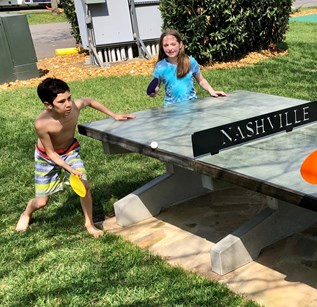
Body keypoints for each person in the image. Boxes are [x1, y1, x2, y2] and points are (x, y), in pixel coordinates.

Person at [16, 78, 135, 238]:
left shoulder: (75, 107)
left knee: (83, 186)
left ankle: (90, 224)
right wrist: (70, 169)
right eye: (62, 101)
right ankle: (26, 214)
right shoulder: (42, 124)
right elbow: (51, 153)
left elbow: (90, 101)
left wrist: (114, 114)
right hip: (47, 157)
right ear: (48, 105)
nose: (68, 104)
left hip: (70, 150)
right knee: (42, 202)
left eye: (69, 98)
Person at [149, 29, 227, 105]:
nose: (170, 48)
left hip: (191, 105)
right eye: (166, 45)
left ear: (180, 44)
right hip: (171, 107)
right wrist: (153, 92)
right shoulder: (160, 66)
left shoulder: (190, 61)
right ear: (162, 47)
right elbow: (157, 86)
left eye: (173, 44)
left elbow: (201, 80)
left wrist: (211, 90)